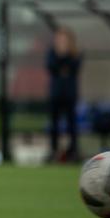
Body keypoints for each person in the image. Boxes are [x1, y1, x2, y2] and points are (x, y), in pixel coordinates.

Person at [45, 26, 81, 162]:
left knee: (72, 123)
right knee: (54, 123)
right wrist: (61, 59)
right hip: (55, 93)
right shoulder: (52, 53)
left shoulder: (76, 53)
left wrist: (64, 58)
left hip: (70, 93)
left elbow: (73, 68)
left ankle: (73, 151)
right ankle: (54, 150)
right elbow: (51, 67)